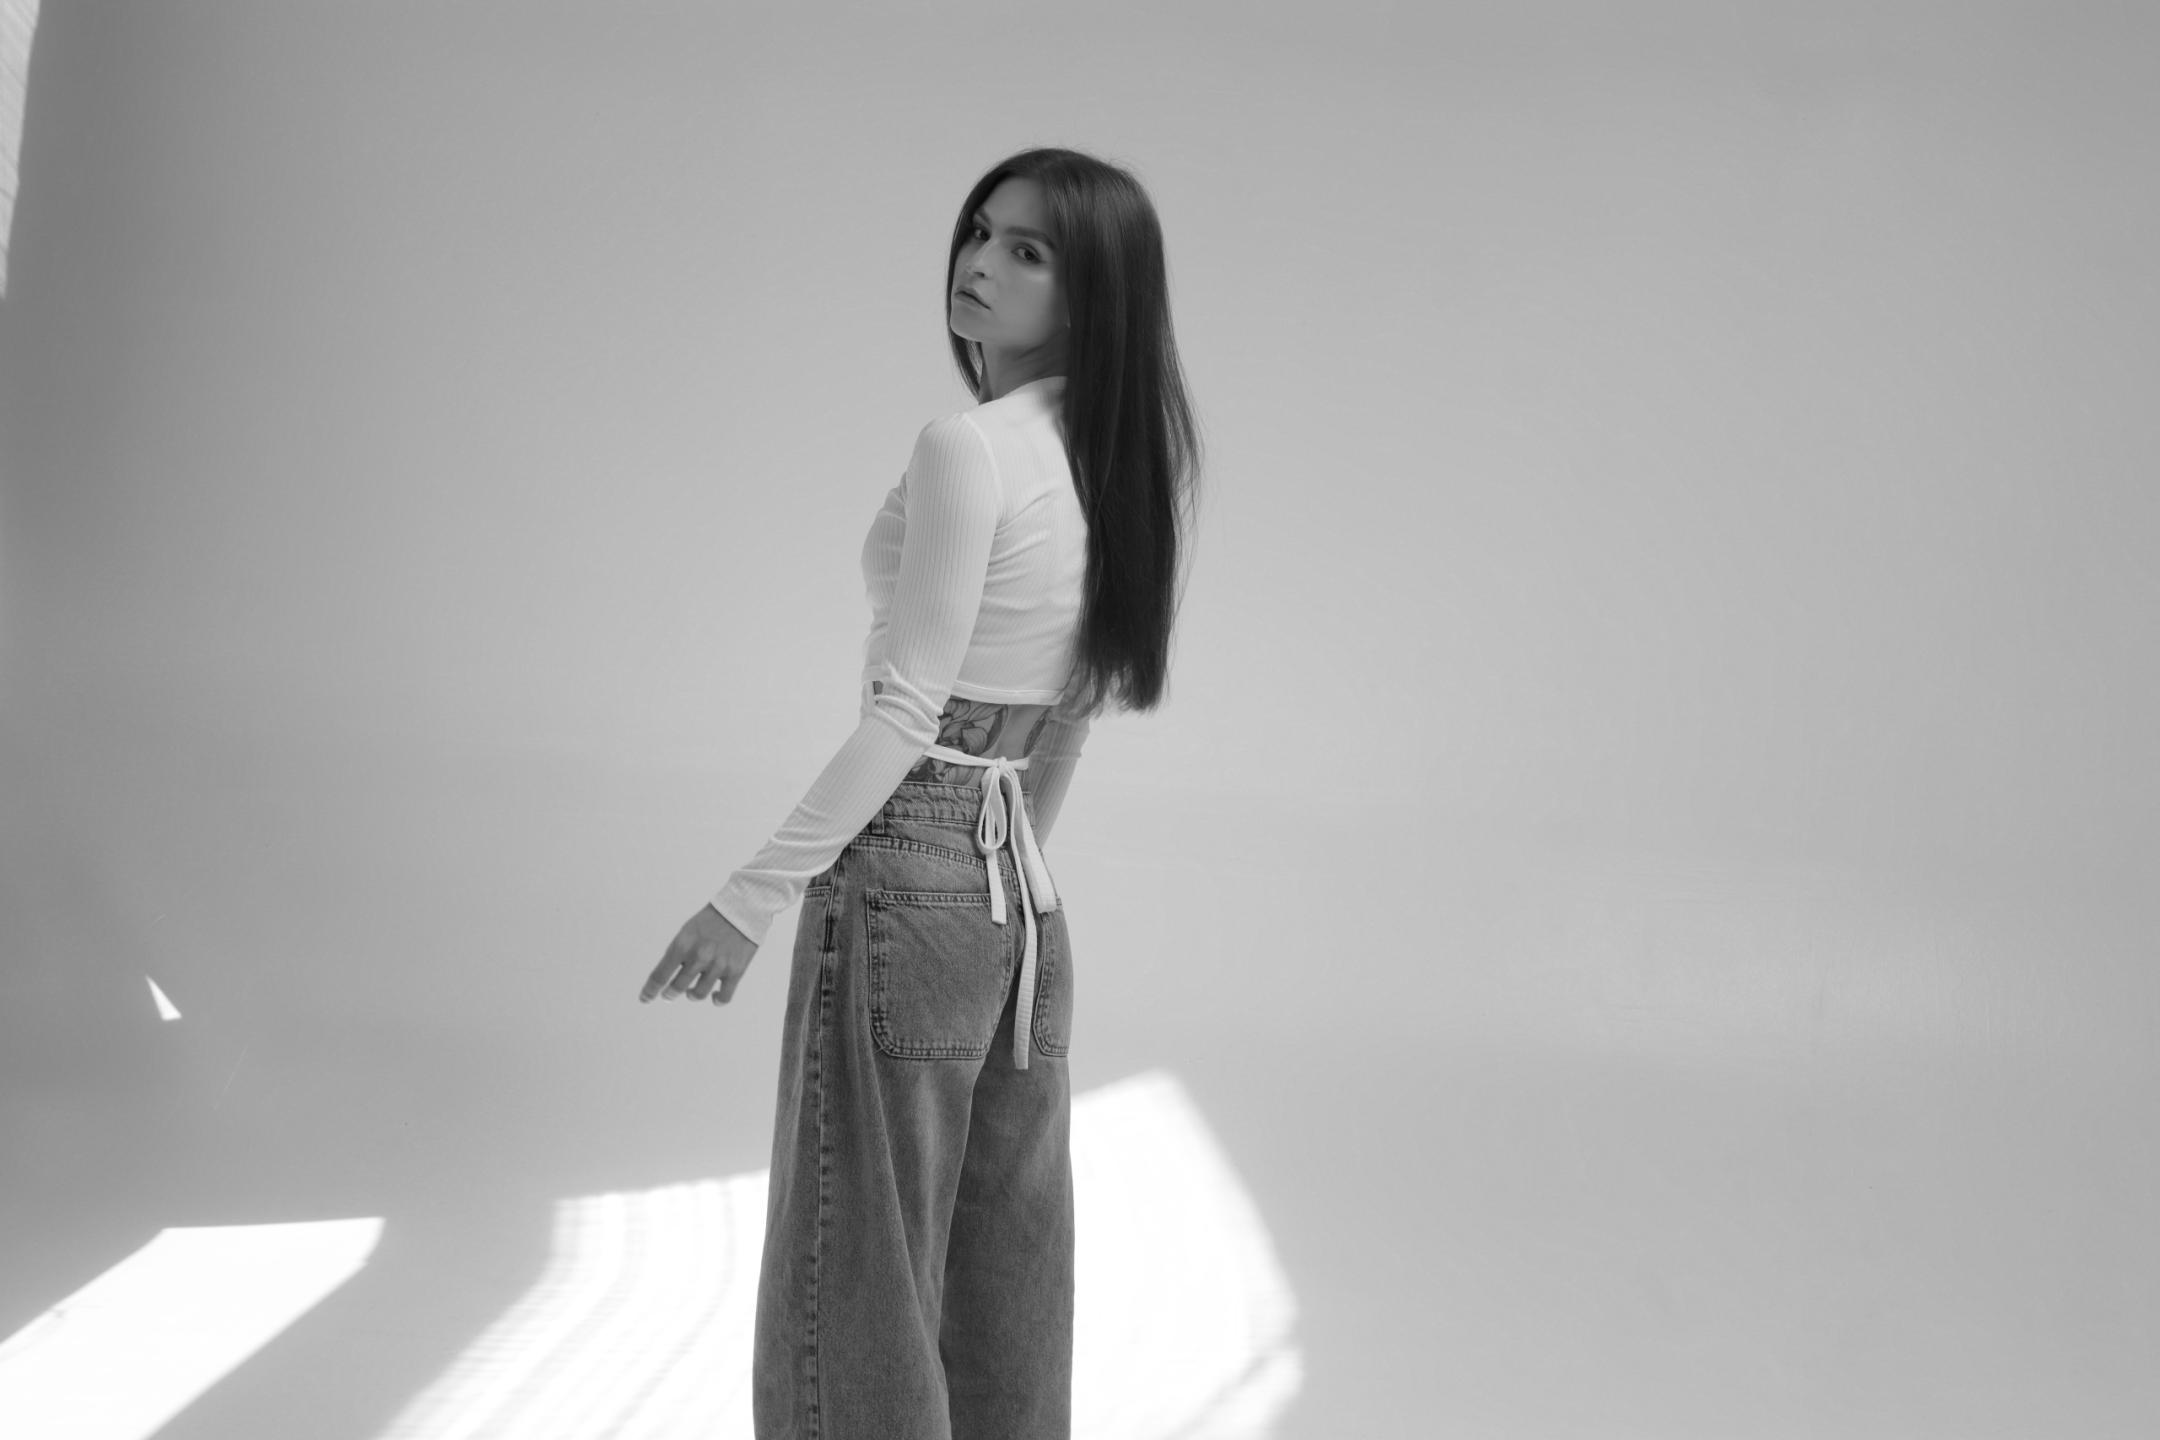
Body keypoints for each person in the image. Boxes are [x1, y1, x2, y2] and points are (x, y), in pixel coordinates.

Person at [639, 146, 1203, 1440]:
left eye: (1028, 251)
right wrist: (1001, 884)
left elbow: (906, 714)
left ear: (1094, 291)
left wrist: (745, 900)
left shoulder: (970, 447)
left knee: (860, 1275)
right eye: (981, 232)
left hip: (911, 869)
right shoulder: (1119, 463)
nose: (980, 263)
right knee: (1004, 1272)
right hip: (1023, 901)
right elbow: (1072, 713)